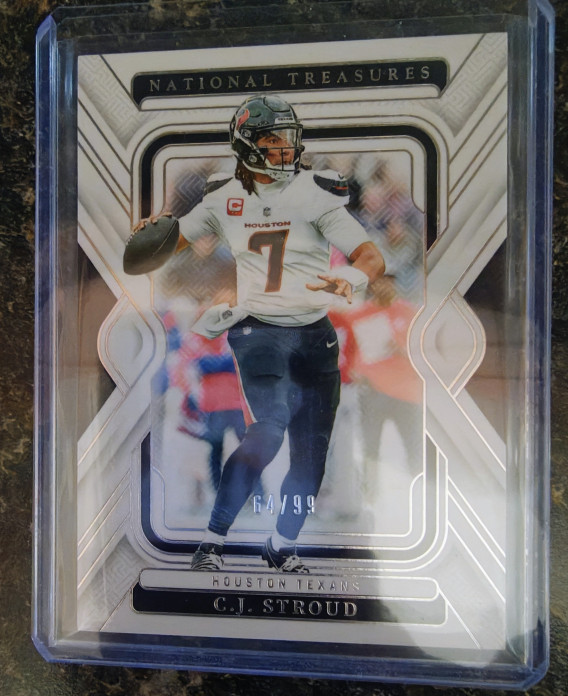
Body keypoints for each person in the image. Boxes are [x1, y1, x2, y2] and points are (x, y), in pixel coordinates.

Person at [129, 94, 385, 572]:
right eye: (272, 140)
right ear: (246, 144)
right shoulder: (222, 198)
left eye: (288, 139)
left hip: (315, 333)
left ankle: (281, 545)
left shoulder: (316, 193)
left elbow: (370, 256)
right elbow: (162, 247)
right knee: (265, 433)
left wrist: (351, 277)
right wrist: (149, 237)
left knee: (312, 458)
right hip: (259, 331)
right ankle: (212, 541)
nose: (285, 148)